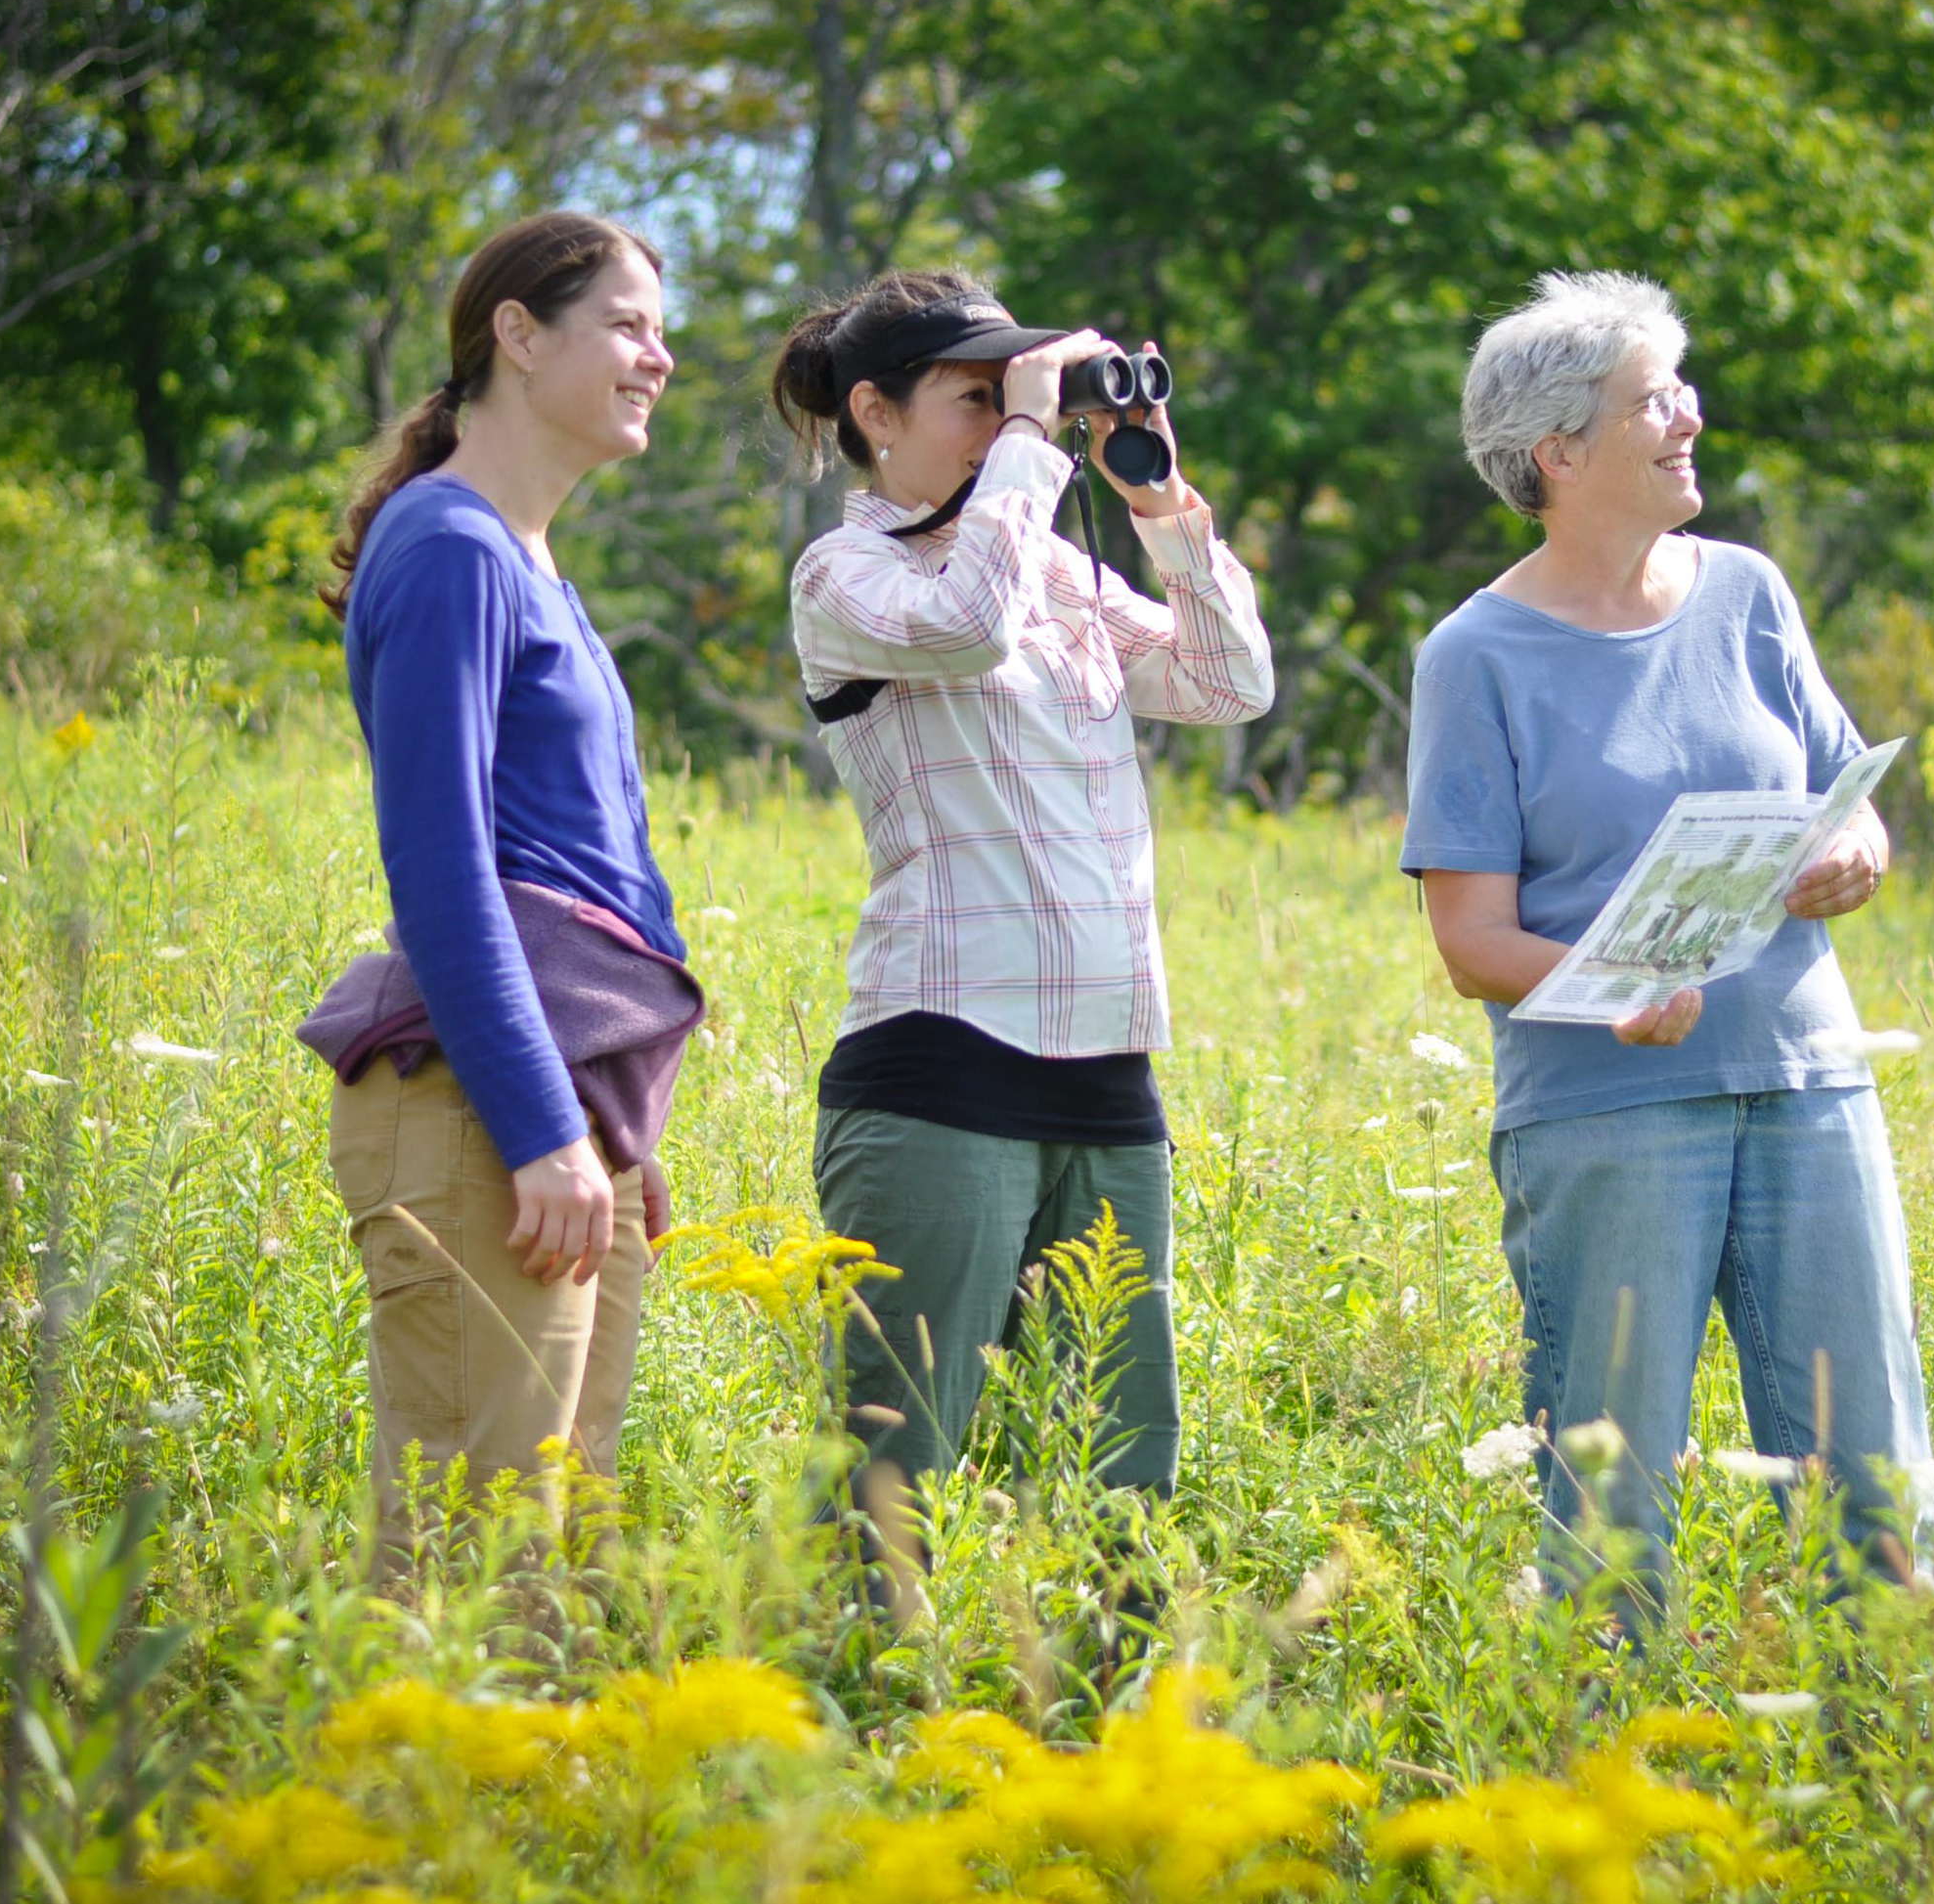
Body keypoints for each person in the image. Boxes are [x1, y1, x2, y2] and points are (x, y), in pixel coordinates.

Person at [1402, 270, 1934, 1605]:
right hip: (1609, 1109)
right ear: (1558, 451)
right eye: (1655, 399)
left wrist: (1855, 855)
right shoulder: (1473, 655)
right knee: (1612, 1499)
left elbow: (1851, 799)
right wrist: (1614, 989)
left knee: (1871, 1477)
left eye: (1682, 388)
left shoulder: (1749, 592)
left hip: (1809, 1084)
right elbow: (1470, 939)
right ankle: (1601, 1728)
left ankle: (1881, 1723)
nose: (1690, 416)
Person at [769, 270, 1273, 1616]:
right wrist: (1036, 447)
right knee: (894, 1472)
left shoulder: (1050, 565)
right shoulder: (847, 575)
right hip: (939, 1065)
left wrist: (1158, 500)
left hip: (1107, 1070)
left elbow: (1229, 682)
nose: (1006, 425)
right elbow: (963, 627)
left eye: (1018, 397)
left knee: (1118, 1471)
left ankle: (1102, 1723)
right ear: (875, 414)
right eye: (976, 400)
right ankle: (862, 1716)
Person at [299, 212, 700, 1579]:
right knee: (467, 1572)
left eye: (660, 330)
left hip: (563, 1115)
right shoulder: (451, 547)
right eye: (627, 325)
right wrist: (540, 1125)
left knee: (549, 1571)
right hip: (481, 1117)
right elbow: (442, 868)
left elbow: (589, 873)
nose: (659, 356)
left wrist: (612, 1130)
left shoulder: (527, 563)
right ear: (518, 336)